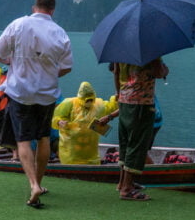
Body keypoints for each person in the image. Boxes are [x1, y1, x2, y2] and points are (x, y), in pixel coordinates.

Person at [0, 0, 73, 209]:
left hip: (20, 92)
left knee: (24, 140)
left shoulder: (18, 24)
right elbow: (66, 67)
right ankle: (40, 182)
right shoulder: (60, 33)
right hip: (47, 93)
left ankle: (33, 184)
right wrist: (50, 75)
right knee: (44, 137)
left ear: (34, 7)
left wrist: (13, 61)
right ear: (52, 10)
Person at [111, 58, 168, 200]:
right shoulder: (151, 51)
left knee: (126, 142)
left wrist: (120, 94)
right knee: (137, 144)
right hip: (141, 104)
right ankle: (127, 189)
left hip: (124, 100)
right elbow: (159, 72)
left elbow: (116, 72)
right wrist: (165, 69)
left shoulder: (121, 50)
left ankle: (122, 182)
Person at [54, 81, 118, 165]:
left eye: (91, 99)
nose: (89, 102)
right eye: (86, 99)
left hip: (91, 156)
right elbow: (55, 117)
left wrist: (116, 97)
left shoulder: (98, 105)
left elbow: (111, 106)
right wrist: (59, 122)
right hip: (70, 155)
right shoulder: (69, 104)